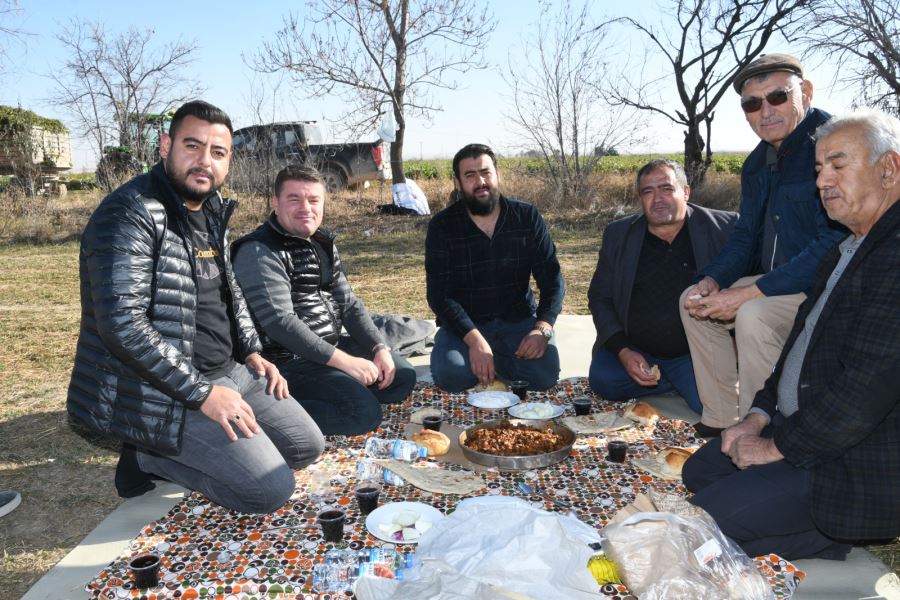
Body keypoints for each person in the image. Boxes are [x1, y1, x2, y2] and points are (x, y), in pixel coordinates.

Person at [66, 101, 325, 514]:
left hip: (231, 372)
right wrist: (202, 394)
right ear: (166, 145)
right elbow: (122, 325)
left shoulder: (212, 209)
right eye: (192, 145)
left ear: (228, 161)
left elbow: (228, 290)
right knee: (270, 490)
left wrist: (253, 351)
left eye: (218, 152)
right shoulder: (129, 213)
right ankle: (148, 453)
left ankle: (205, 446)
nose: (205, 161)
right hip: (166, 389)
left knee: (306, 446)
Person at [682, 109, 900, 560]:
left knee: (696, 524)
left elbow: (862, 394)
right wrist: (757, 417)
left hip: (847, 458)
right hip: (802, 422)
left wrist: (775, 448)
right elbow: (797, 349)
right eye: (819, 169)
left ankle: (836, 527)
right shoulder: (847, 245)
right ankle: (808, 526)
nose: (823, 181)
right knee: (699, 472)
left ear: (889, 168)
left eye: (839, 166)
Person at [680, 53, 846, 437]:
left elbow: (834, 241)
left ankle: (759, 435)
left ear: (804, 92)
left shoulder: (833, 144)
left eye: (777, 97)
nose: (765, 111)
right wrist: (713, 279)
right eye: (752, 104)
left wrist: (751, 294)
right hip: (775, 284)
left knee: (754, 314)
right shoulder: (756, 163)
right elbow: (744, 236)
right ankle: (722, 420)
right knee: (692, 301)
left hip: (824, 286)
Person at [233, 165, 417, 436]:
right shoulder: (258, 251)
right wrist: (345, 363)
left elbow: (349, 304)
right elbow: (280, 323)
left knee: (401, 376)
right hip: (286, 361)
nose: (305, 207)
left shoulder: (322, 243)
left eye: (313, 200)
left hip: (328, 345)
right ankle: (270, 416)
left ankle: (338, 392)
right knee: (363, 413)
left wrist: (379, 348)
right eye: (294, 199)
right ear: (275, 202)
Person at [588, 159, 737, 414]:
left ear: (686, 192)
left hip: (694, 352)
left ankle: (680, 380)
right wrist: (623, 351)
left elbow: (748, 288)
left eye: (666, 189)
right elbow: (599, 297)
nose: (657, 198)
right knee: (604, 381)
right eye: (648, 191)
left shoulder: (725, 228)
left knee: (711, 407)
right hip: (637, 348)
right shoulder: (619, 235)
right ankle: (672, 381)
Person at [425, 143, 564, 392]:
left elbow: (552, 279)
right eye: (470, 175)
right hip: (465, 326)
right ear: (457, 183)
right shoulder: (443, 226)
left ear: (497, 174)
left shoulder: (527, 217)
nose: (480, 181)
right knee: (452, 375)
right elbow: (439, 295)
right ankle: (487, 359)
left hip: (518, 320)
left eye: (486, 172)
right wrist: (475, 341)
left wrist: (542, 328)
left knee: (545, 375)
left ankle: (494, 362)